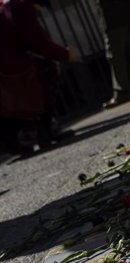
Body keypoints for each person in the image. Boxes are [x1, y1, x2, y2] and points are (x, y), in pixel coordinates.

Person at [0, 0, 79, 153]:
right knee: (47, 71)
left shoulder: (8, 5)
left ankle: (12, 141)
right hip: (12, 65)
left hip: (7, 63)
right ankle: (45, 130)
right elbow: (38, 43)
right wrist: (66, 55)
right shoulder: (20, 6)